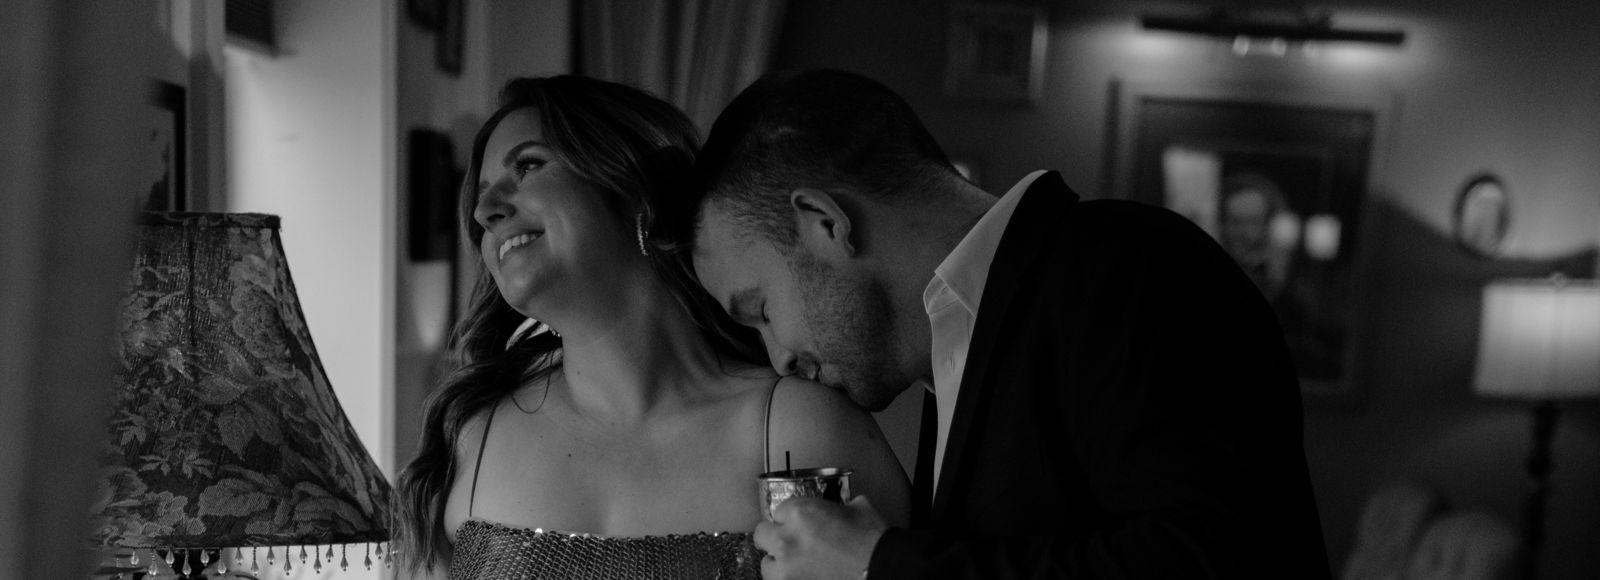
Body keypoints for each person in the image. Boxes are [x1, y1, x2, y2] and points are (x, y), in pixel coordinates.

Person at [677, 69, 1331, 578]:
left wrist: (880, 565)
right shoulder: (953, 352)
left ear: (825, 223)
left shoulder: (1133, 265)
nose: (780, 357)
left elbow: (1225, 562)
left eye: (762, 311)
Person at [392, 75, 910, 579]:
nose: (484, 211)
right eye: (481, 195)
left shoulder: (799, 429)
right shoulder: (470, 439)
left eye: (528, 165)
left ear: (634, 192)